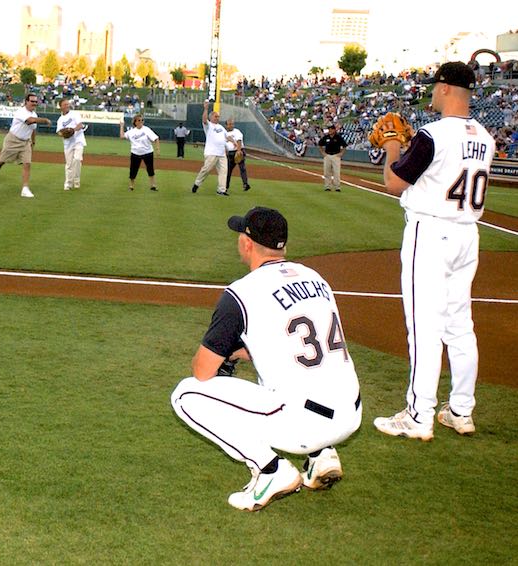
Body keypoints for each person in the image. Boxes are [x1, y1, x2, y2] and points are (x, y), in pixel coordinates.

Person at [171, 206, 362, 511]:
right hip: (351, 413)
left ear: (247, 243)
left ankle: (271, 471)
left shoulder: (240, 294)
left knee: (185, 394)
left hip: (305, 424)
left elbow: (203, 371)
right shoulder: (316, 277)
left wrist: (229, 351)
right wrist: (244, 350)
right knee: (288, 369)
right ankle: (322, 457)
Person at [373, 62, 495, 441]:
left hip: (431, 232)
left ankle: (418, 414)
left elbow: (394, 182)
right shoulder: (486, 137)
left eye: (434, 86)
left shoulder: (432, 135)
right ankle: (461, 410)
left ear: (444, 88)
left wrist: (393, 143)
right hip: (466, 234)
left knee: (423, 326)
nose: (431, 92)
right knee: (460, 326)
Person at [0, 93, 51, 198]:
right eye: (32, 101)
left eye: (36, 102)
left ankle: (25, 188)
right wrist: (45, 120)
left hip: (25, 142)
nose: (34, 103)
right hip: (13, 140)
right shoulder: (21, 112)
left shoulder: (34, 114)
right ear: (26, 102)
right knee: (1, 162)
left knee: (27, 164)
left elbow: (32, 129)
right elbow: (29, 121)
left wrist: (33, 142)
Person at [191, 100, 229, 196]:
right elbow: (204, 120)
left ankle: (221, 190)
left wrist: (233, 143)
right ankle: (197, 183)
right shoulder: (208, 125)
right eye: (216, 116)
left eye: (218, 117)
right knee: (206, 169)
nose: (217, 118)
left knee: (224, 171)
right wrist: (206, 108)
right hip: (211, 152)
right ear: (211, 117)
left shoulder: (221, 127)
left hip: (221, 153)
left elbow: (227, 136)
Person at [120, 115, 160, 191]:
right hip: (135, 153)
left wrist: (157, 149)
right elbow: (122, 136)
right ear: (135, 122)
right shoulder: (131, 132)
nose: (141, 122)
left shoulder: (146, 130)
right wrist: (122, 126)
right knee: (133, 170)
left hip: (147, 152)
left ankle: (153, 185)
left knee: (150, 169)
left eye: (142, 120)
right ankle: (131, 186)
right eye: (139, 120)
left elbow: (156, 138)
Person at [56, 98, 86, 191]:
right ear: (60, 107)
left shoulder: (74, 114)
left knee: (77, 159)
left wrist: (72, 130)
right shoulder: (60, 119)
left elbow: (80, 125)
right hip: (68, 143)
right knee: (69, 164)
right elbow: (59, 132)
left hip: (78, 140)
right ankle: (68, 183)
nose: (67, 106)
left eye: (68, 104)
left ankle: (76, 180)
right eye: (65, 104)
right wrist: (64, 134)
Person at [317, 124, 348, 191]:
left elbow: (345, 145)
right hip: (327, 155)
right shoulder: (326, 137)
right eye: (329, 129)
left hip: (336, 156)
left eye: (331, 129)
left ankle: (337, 187)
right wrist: (323, 153)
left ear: (334, 130)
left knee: (336, 172)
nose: (330, 130)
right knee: (327, 172)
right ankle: (327, 186)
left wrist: (341, 153)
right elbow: (319, 144)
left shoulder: (338, 137)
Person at [225, 118, 251, 191]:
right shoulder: (224, 133)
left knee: (242, 168)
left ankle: (245, 184)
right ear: (226, 125)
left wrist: (239, 151)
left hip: (238, 151)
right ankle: (225, 187)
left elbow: (239, 141)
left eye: (232, 124)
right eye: (230, 124)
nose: (231, 125)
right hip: (230, 154)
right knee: (228, 171)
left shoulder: (236, 131)